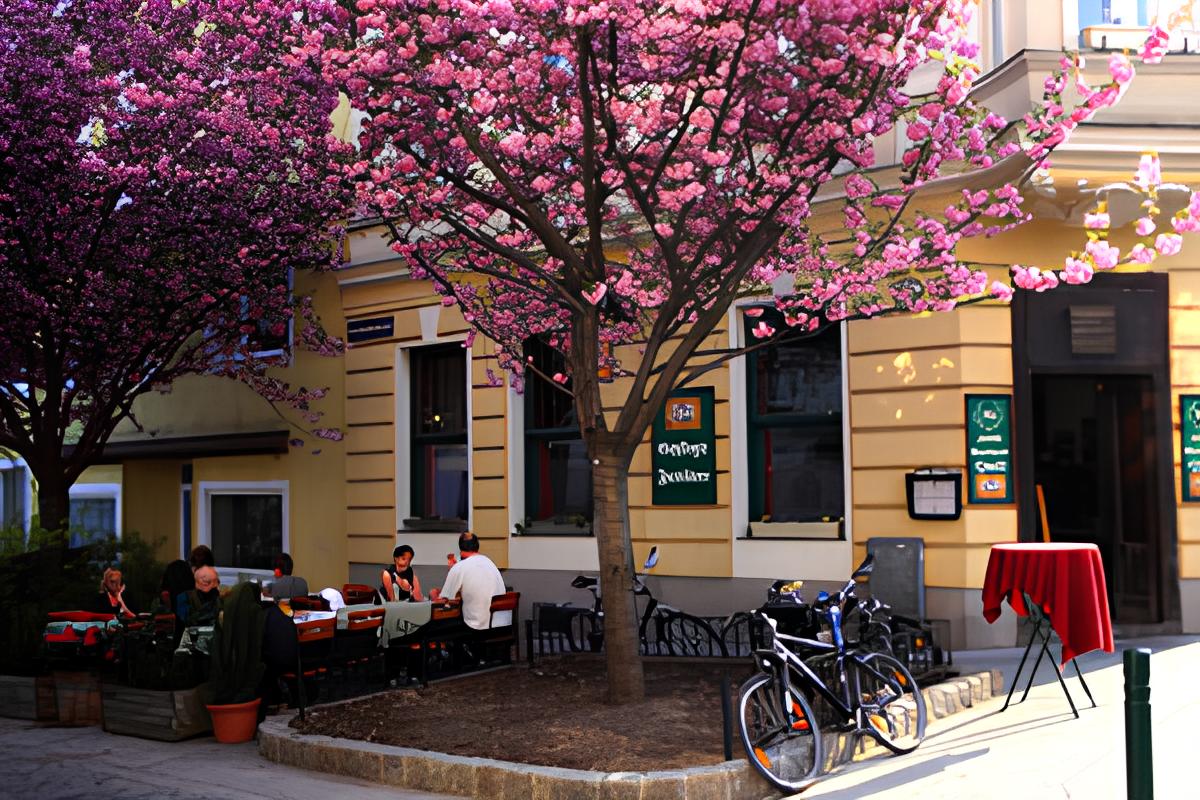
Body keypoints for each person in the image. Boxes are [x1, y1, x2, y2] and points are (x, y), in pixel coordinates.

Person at [429, 533, 508, 630]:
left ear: (460, 548)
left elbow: (444, 600)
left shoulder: (459, 567)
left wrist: (433, 595)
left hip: (477, 626)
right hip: (501, 626)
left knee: (440, 625)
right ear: (477, 546)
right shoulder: (489, 562)